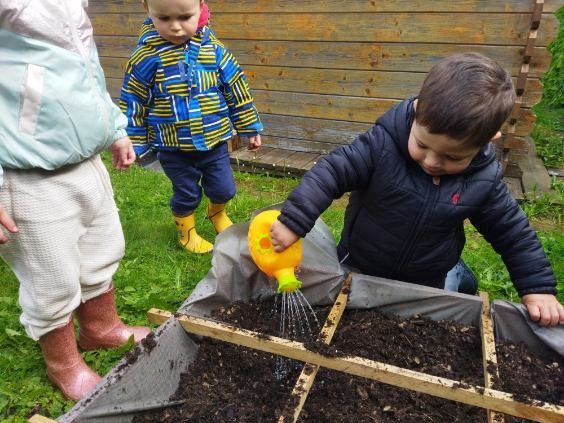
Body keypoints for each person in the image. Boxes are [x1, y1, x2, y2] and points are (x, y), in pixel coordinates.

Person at [269, 53, 564, 327]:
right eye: (422, 145)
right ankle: (456, 275)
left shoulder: (483, 181)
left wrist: (538, 289)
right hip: (359, 263)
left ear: (489, 139)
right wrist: (294, 221)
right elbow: (331, 172)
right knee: (347, 318)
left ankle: (456, 275)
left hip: (425, 280)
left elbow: (513, 234)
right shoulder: (381, 146)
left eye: (453, 157)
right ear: (417, 111)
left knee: (415, 329)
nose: (433, 162)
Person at [0, 0, 151, 401]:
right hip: (27, 176)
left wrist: (114, 128)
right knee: (50, 276)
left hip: (85, 161)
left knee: (101, 249)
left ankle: (101, 329)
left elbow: (85, 74)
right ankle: (63, 363)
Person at [120, 0, 263, 254]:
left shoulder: (215, 51)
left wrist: (248, 127)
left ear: (200, 7)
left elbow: (237, 90)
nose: (175, 27)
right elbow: (133, 102)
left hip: (214, 140)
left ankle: (217, 213)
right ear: (147, 9)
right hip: (172, 146)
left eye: (185, 17)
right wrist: (134, 142)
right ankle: (187, 233)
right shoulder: (146, 57)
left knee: (224, 188)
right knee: (187, 193)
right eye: (164, 19)